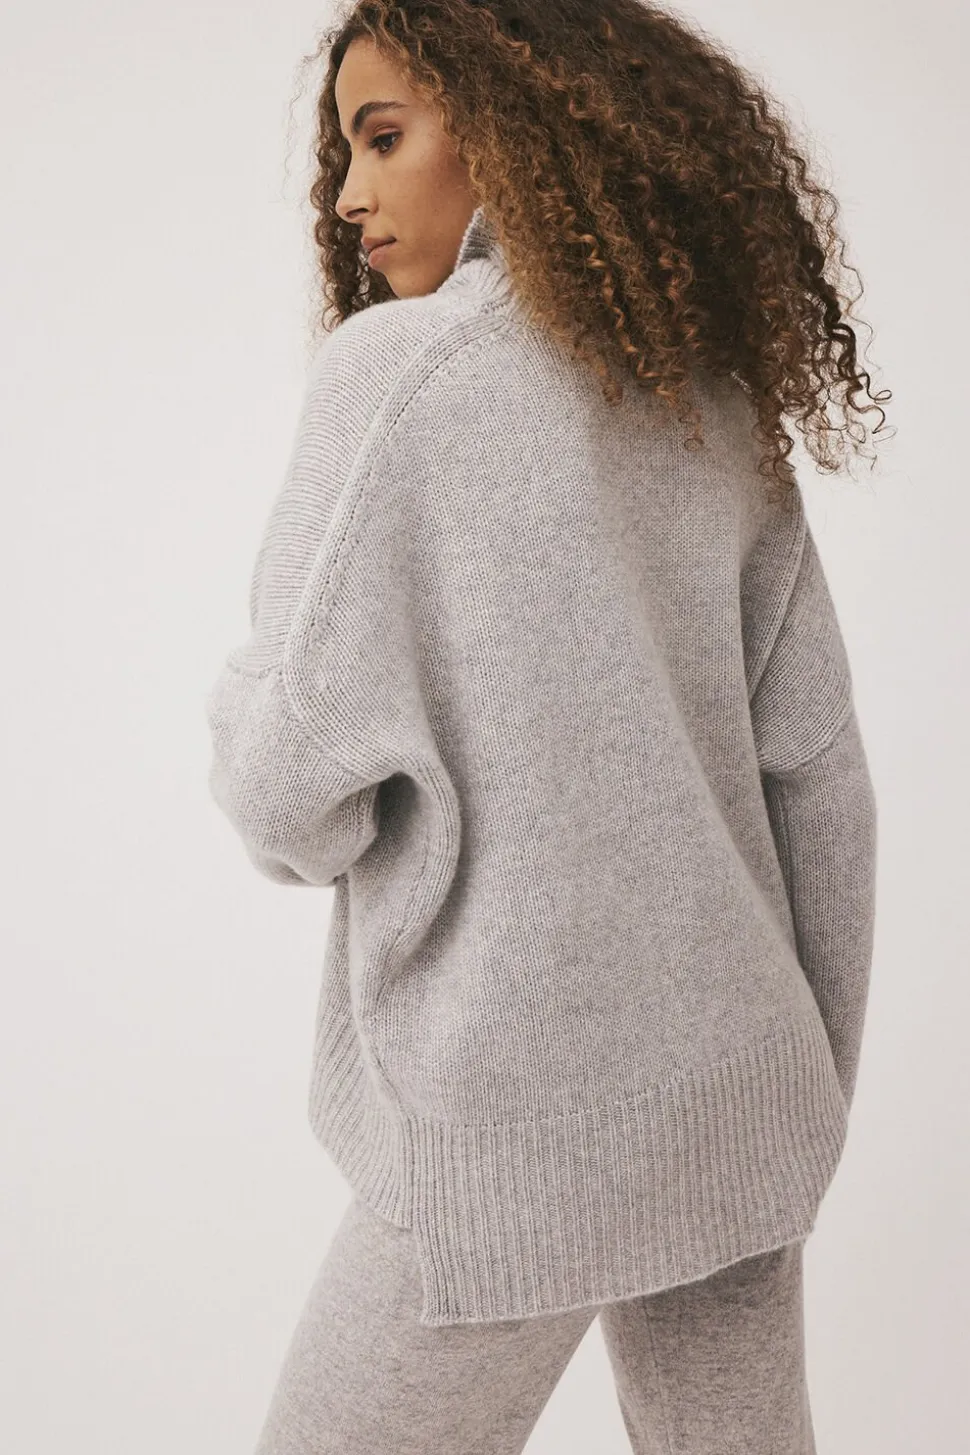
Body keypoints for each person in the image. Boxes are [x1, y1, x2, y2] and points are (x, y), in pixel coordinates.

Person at [204, 2, 888, 1451]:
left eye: (384, 136)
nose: (350, 194)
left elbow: (287, 798)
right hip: (739, 1097)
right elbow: (819, 775)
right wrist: (801, 1093)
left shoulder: (396, 375)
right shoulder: (707, 398)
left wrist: (240, 700)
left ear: (511, 131)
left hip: (506, 1127)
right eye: (345, 153)